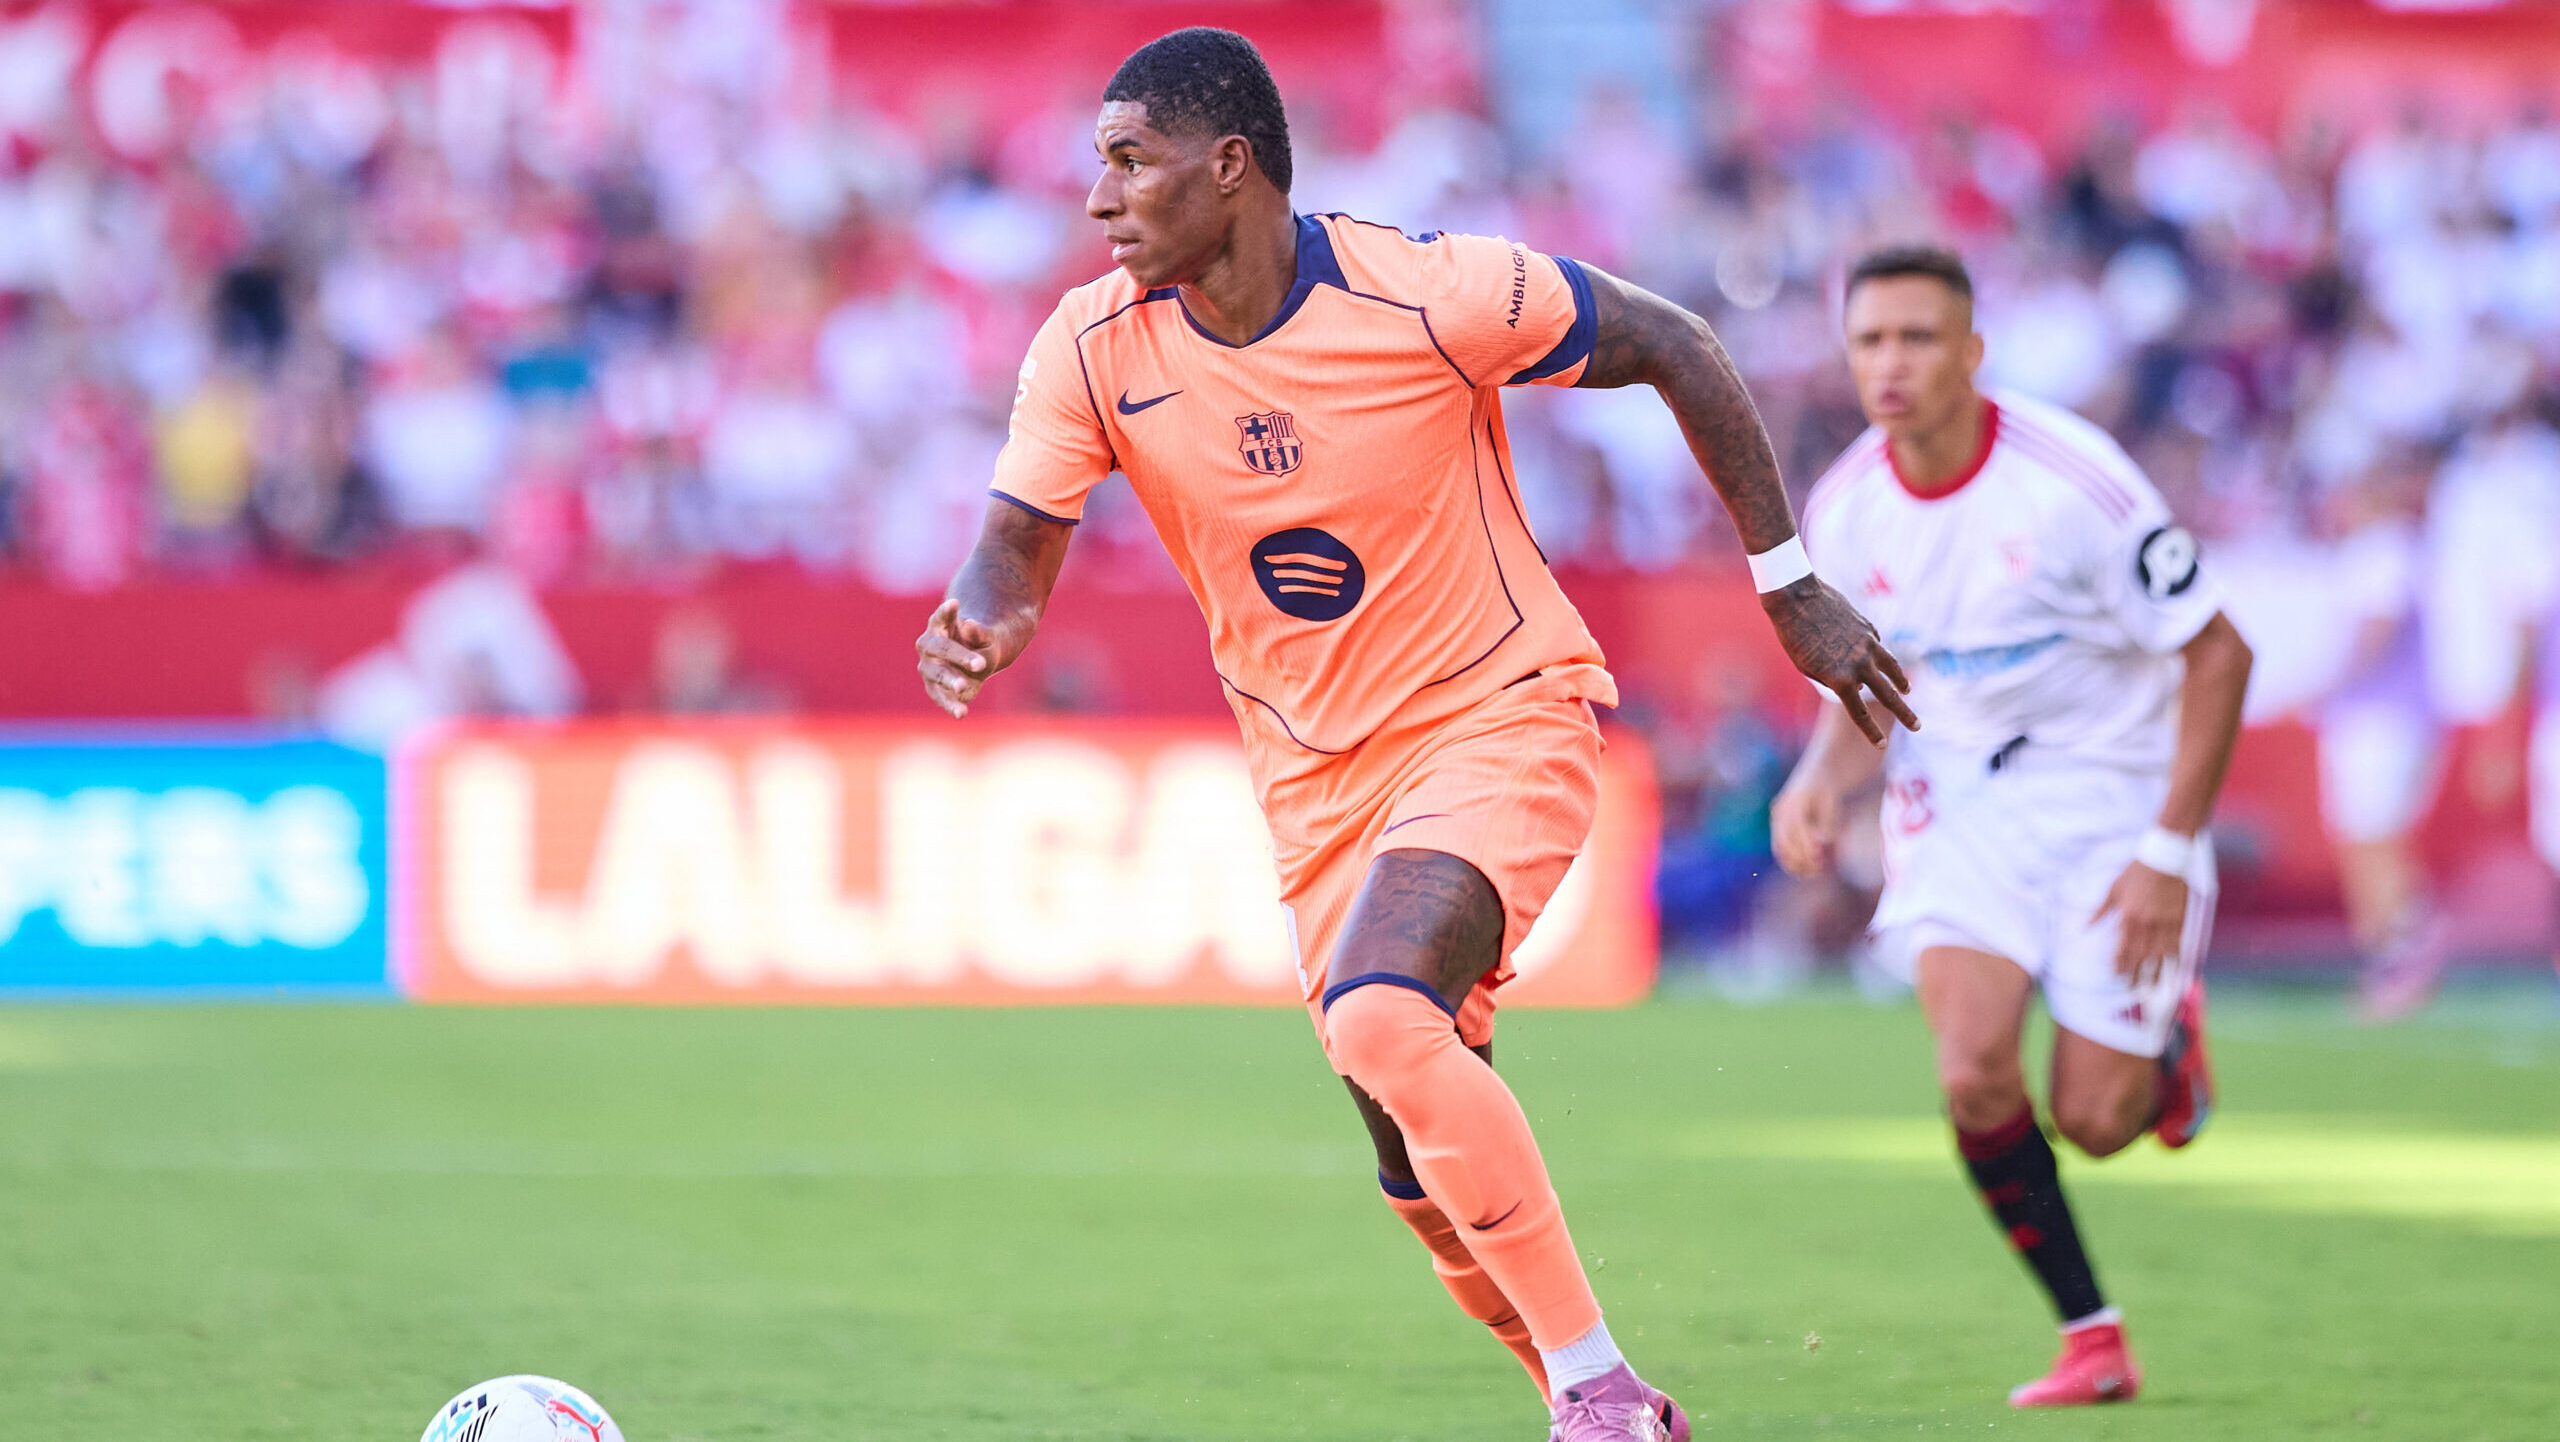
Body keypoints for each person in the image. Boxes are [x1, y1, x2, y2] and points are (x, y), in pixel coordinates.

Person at [914, 28, 1916, 1442]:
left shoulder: (1430, 291)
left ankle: (1599, 1390)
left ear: (1230, 167)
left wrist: (1788, 584)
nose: (1099, 198)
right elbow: (1009, 552)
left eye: (1128, 163)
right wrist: (988, 617)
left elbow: (1677, 344)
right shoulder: (1090, 344)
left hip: (1497, 715)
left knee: (1383, 1018)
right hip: (1315, 789)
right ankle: (1593, 1405)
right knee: (1415, 1166)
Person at [1770, 245, 2251, 1408]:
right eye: (1871, 340)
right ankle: (2092, 1334)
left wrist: (2170, 853)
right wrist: (1818, 776)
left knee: (2094, 1119)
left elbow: (2220, 652)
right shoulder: (1843, 509)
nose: (1892, 363)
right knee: (1974, 1072)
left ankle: (2162, 1046)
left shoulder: (2075, 482)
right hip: (1961, 806)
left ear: (1972, 351)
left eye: (1919, 338)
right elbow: (1869, 691)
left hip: (2109, 804)